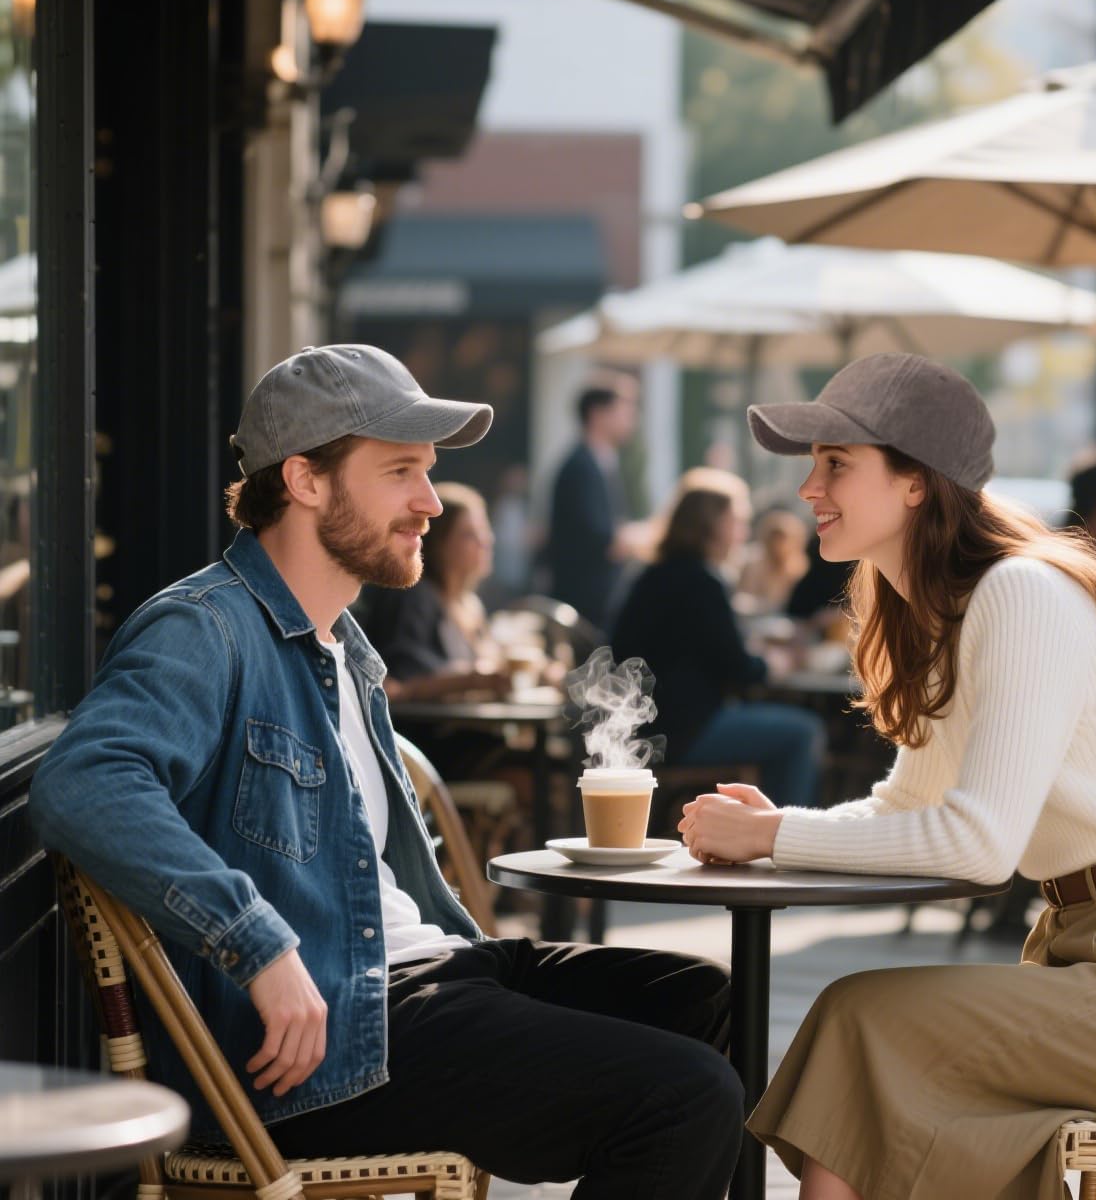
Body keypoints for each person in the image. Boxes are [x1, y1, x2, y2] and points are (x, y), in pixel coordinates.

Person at [28, 345, 743, 1199]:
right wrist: (258, 945)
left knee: (704, 998)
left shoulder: (346, 652)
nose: (431, 502)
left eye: (428, 473)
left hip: (429, 973)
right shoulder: (205, 628)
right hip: (337, 1034)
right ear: (306, 482)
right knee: (686, 1095)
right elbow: (86, 780)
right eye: (401, 471)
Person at [678, 353, 1096, 1200]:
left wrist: (775, 836)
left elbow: (978, 846)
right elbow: (908, 807)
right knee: (875, 1048)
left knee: (863, 1020)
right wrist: (778, 830)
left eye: (837, 464)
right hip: (1094, 963)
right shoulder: (950, 615)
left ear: (917, 483)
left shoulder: (1022, 593)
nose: (809, 488)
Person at [612, 468, 824, 808]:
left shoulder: (651, 575)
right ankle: (782, 837)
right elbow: (739, 668)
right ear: (712, 524)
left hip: (641, 729)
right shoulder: (702, 582)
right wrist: (774, 663)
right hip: (684, 731)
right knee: (804, 732)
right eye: (737, 521)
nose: (743, 533)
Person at [356, 482, 511, 703]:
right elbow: (404, 679)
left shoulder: (469, 603)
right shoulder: (413, 598)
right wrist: (472, 679)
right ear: (439, 542)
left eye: (485, 531)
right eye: (469, 534)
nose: (485, 542)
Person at [547, 374, 638, 629]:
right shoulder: (580, 467)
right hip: (583, 606)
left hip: (598, 601)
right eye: (624, 409)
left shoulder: (601, 462)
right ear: (598, 415)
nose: (632, 417)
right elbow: (601, 538)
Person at [735, 508, 810, 615]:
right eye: (774, 537)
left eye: (783, 538)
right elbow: (743, 598)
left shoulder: (801, 568)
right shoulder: (752, 563)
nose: (778, 544)